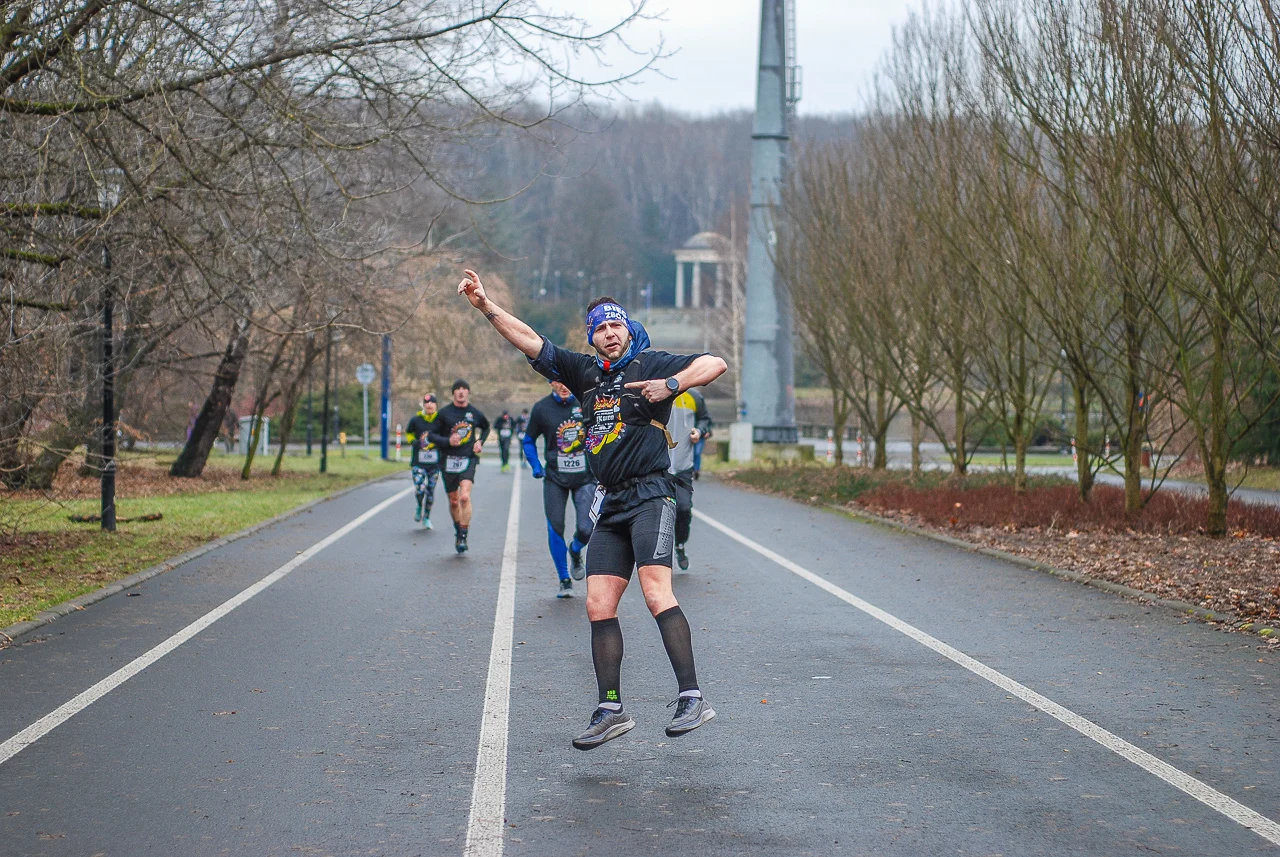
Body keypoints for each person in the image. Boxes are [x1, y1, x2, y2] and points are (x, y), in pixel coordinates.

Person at [457, 268, 727, 750]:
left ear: (627, 330)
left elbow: (715, 363)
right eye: (599, 328)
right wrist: (486, 306)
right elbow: (529, 341)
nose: (608, 334)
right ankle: (610, 709)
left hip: (651, 494)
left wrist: (671, 383)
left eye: (615, 326)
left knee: (653, 589)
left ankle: (692, 697)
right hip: (612, 501)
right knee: (597, 603)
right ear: (592, 337)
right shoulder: (582, 374)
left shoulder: (650, 364)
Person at [523, 378, 597, 598]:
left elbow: (601, 433)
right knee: (555, 526)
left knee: (587, 528)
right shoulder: (542, 408)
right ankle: (564, 579)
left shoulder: (586, 402)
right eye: (558, 381)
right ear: (550, 383)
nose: (564, 385)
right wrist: (536, 466)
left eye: (567, 380)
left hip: (585, 478)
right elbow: (528, 440)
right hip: (555, 478)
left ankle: (575, 550)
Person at [427, 380, 490, 554]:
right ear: (453, 393)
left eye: (464, 389)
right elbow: (431, 436)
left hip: (468, 459)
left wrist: (480, 441)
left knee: (464, 497)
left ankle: (463, 534)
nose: (461, 392)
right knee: (454, 501)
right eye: (458, 389)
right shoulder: (444, 413)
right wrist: (448, 441)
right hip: (448, 461)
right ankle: (458, 530)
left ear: (468, 392)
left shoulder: (474, 413)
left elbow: (486, 427)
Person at [666, 387, 712, 571]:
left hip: (684, 466)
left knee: (683, 508)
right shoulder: (656, 394)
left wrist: (699, 432)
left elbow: (705, 419)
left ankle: (680, 545)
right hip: (658, 467)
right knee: (658, 512)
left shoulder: (693, 396)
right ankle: (657, 558)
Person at [404, 394, 442, 529]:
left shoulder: (440, 420)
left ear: (436, 405)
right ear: (423, 405)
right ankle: (419, 505)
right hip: (418, 462)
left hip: (434, 463)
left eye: (432, 402)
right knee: (420, 488)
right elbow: (408, 432)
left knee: (430, 491)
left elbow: (446, 437)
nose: (429, 405)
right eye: (427, 403)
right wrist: (413, 441)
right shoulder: (416, 420)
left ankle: (426, 517)